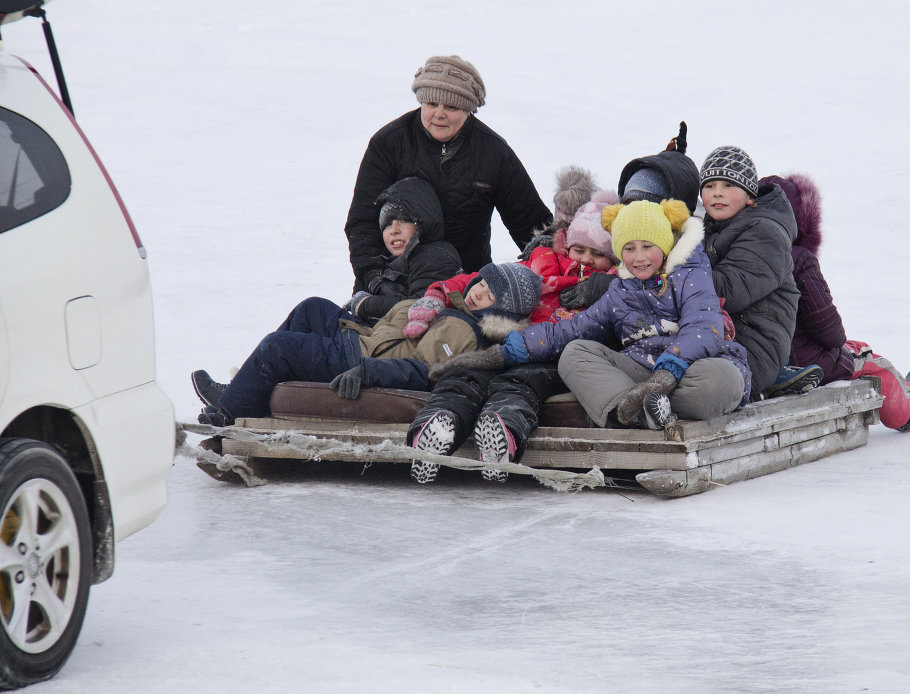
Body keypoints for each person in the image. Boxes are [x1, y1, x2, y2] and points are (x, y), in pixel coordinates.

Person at [432, 199, 752, 442]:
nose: (638, 257)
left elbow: (703, 328)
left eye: (647, 247)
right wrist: (497, 354)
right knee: (574, 353)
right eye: (628, 248)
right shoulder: (620, 290)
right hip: (642, 371)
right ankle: (630, 412)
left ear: (665, 246)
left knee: (720, 382)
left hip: (697, 368)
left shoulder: (691, 275)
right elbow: (567, 332)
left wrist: (666, 375)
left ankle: (652, 403)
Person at [405, 184, 619, 484]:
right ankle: (438, 424)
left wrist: (604, 288)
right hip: (507, 343)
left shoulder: (611, 286)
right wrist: (440, 292)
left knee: (520, 384)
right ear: (565, 243)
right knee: (466, 372)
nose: (585, 259)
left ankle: (501, 435)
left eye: (598, 254)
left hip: (549, 357)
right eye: (579, 249)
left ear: (613, 259)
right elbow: (490, 279)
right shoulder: (541, 260)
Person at [191, 262, 541, 426]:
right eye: (482, 282)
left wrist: (368, 369)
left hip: (362, 361)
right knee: (312, 307)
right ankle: (248, 390)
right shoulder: (450, 306)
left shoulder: (462, 329)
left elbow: (424, 372)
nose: (478, 291)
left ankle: (231, 412)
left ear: (501, 308)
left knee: (278, 346)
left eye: (490, 294)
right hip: (363, 341)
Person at [344, 54, 552, 292]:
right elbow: (362, 222)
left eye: (451, 106)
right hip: (392, 282)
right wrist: (374, 277)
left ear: (468, 110)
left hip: (466, 286)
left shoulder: (494, 153)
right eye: (432, 104)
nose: (439, 114)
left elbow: (532, 226)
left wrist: (556, 271)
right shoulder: (389, 144)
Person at [760, 173, 910, 431]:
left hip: (759, 360)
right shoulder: (799, 259)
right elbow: (830, 331)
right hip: (806, 363)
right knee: (866, 358)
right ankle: (905, 407)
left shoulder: (738, 251)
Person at [558, 123, 700, 311]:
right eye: (628, 203)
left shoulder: (691, 253)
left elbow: (673, 294)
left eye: (645, 204)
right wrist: (553, 243)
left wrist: (606, 288)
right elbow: (586, 234)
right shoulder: (619, 223)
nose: (634, 212)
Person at [699, 145, 803, 399]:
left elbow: (727, 290)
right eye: (710, 186)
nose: (718, 194)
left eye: (728, 185)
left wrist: (664, 273)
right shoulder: (710, 230)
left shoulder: (765, 233)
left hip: (754, 349)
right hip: (718, 336)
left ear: (749, 196)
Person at [342, 176, 462, 325]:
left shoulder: (436, 256)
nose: (394, 230)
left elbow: (419, 306)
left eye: (404, 220)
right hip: (376, 336)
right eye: (387, 223)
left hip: (407, 341)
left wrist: (365, 305)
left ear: (423, 221)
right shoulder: (378, 264)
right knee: (314, 308)